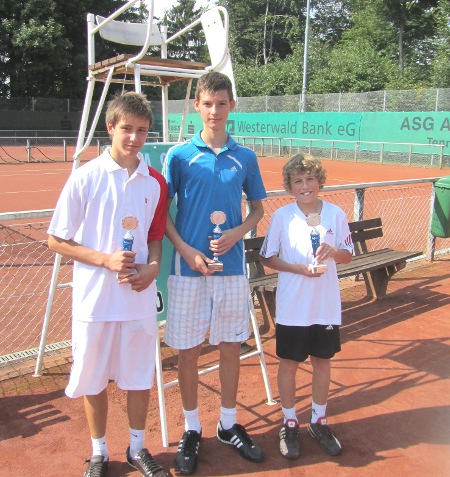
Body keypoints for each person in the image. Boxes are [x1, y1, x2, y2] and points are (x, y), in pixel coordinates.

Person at [47, 91, 169, 477]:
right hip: (95, 301)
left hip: (137, 299)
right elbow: (56, 239)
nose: (134, 138)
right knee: (94, 378)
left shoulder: (154, 183)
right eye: (127, 129)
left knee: (138, 377)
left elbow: (155, 236)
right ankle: (99, 452)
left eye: (142, 131)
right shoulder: (85, 177)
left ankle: (137, 449)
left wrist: (152, 267)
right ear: (111, 128)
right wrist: (104, 260)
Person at [163, 71, 267, 475]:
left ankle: (227, 424)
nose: (214, 110)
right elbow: (163, 215)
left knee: (229, 347)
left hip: (231, 270)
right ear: (197, 106)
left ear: (231, 107)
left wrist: (238, 233)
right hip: (188, 271)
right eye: (208, 103)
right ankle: (192, 428)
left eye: (222, 103)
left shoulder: (246, 157)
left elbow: (257, 208)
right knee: (187, 351)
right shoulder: (179, 155)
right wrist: (187, 251)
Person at [259, 154, 353, 459]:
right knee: (289, 363)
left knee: (322, 362)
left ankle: (318, 420)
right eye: (297, 181)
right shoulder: (282, 217)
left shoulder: (336, 214)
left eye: (310, 179)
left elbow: (348, 255)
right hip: (292, 306)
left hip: (324, 305)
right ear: (290, 185)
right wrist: (299, 269)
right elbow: (267, 257)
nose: (305, 186)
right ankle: (289, 421)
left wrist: (333, 251)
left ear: (320, 181)